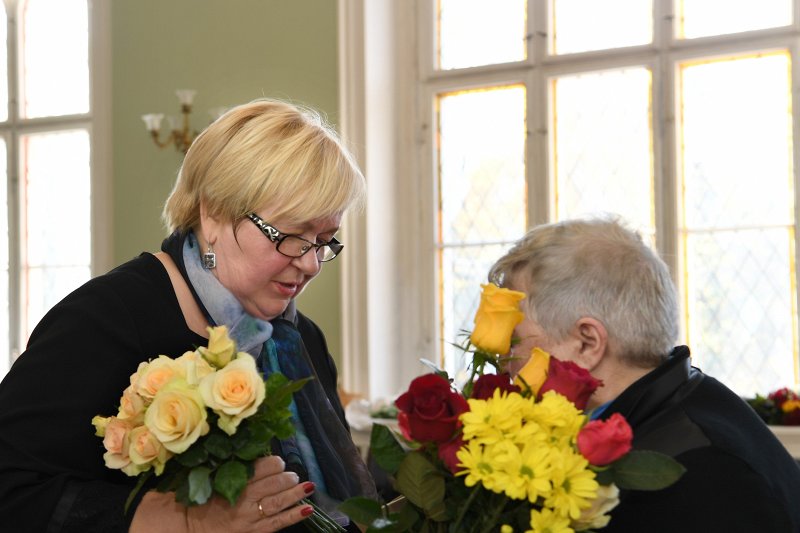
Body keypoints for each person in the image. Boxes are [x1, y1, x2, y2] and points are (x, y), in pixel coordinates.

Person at [0, 98, 377, 533]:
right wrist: (184, 520)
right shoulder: (106, 319)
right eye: (291, 235)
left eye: (325, 239)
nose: (310, 263)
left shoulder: (299, 338)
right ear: (213, 213)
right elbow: (13, 489)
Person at [489, 216, 800, 533]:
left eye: (515, 338)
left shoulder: (688, 475)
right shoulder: (690, 398)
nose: (504, 361)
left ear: (587, 343)